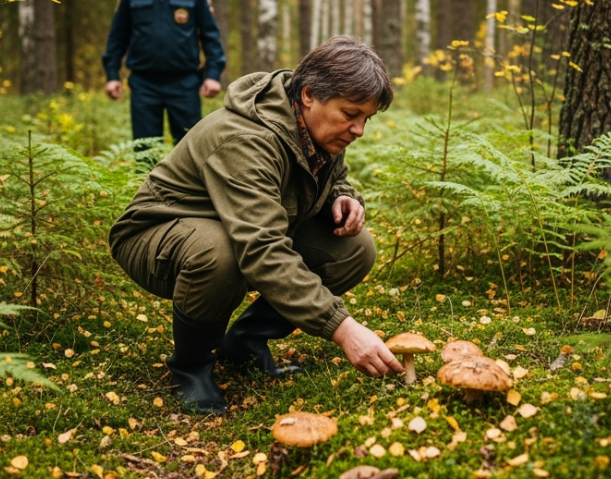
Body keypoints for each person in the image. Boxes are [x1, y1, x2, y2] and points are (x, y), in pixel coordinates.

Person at [108, 37, 404, 414]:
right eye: (351, 114)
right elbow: (262, 248)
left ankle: (245, 343)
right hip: (156, 233)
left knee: (354, 249)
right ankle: (191, 366)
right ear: (310, 94)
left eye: (366, 118)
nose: (358, 129)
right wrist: (343, 329)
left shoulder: (317, 125)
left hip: (236, 229)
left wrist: (340, 196)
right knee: (221, 254)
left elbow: (331, 178)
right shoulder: (245, 139)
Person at [102, 0, 226, 144]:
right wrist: (112, 75)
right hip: (143, 84)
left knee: (190, 151)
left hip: (185, 82)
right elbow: (118, 36)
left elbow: (209, 35)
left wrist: (213, 74)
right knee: (145, 151)